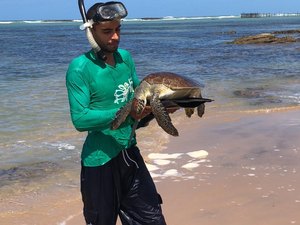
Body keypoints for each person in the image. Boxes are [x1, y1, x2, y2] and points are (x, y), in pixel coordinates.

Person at [66, 2, 167, 225]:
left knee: (153, 220)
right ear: (90, 32)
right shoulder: (79, 68)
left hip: (130, 154)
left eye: (118, 29)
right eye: (107, 31)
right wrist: (126, 110)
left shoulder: (125, 58)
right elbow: (80, 119)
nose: (115, 37)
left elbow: (141, 98)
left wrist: (163, 105)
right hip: (99, 163)